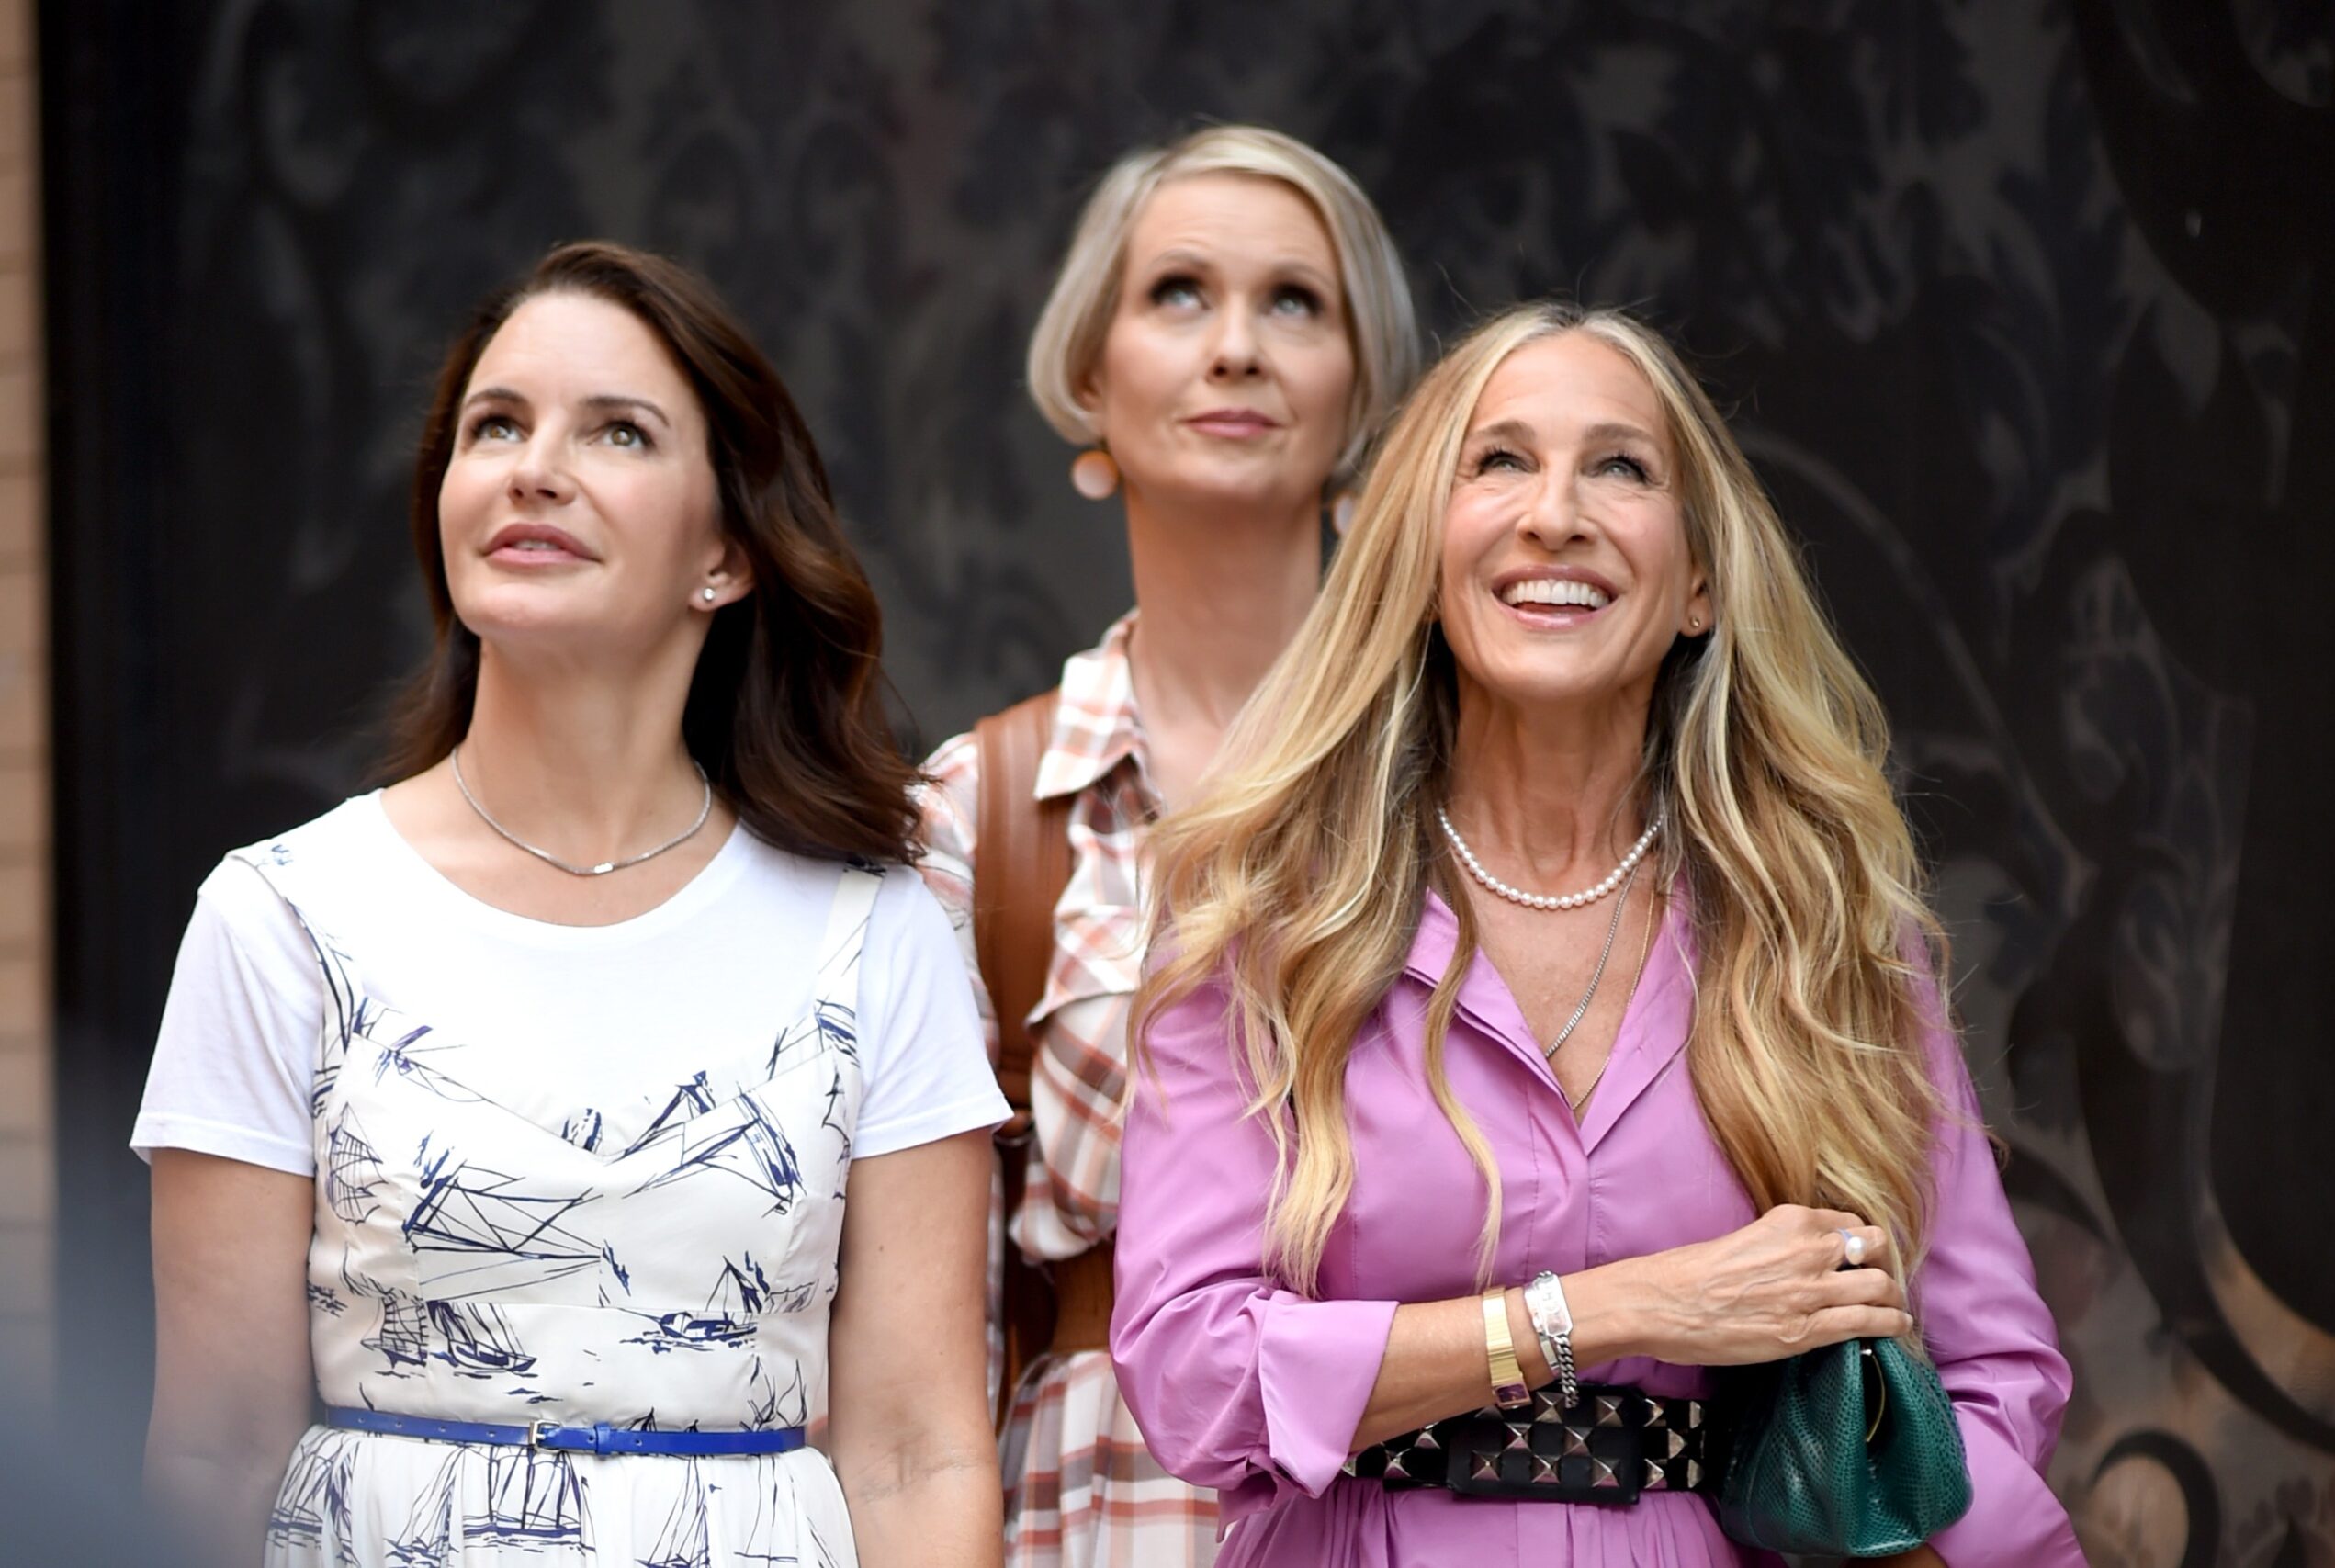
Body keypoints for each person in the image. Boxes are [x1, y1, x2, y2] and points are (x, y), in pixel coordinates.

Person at [1113, 303, 2086, 1565]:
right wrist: (1615, 1310)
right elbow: (1190, 1371)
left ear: (1697, 582)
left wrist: (1919, 1525)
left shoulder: (1830, 933)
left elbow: (1994, 1371)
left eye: (1621, 466)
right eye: (1499, 460)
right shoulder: (1265, 922)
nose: (1555, 513)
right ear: (1420, 556)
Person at [135, 242, 1008, 1568]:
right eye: (496, 426)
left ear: (726, 553)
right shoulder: (281, 917)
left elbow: (915, 1452)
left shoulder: (876, 930)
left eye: (617, 432)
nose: (533, 466)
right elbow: (212, 1447)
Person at [916, 125, 1418, 1566]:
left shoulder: (1475, 771)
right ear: (1093, 375)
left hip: (1437, 1490)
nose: (1238, 349)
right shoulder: (978, 809)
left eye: (1295, 304)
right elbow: (918, 1334)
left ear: (1365, 396)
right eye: (1180, 294)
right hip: (1102, 1507)